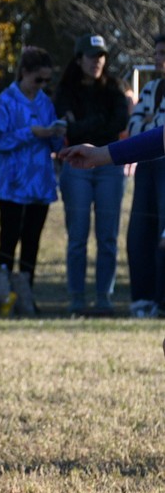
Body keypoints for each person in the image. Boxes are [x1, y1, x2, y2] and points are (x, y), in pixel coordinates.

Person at [54, 34, 129, 315]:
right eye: (91, 56)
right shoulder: (65, 91)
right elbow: (69, 129)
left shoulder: (114, 89)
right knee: (78, 234)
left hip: (110, 166)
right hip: (76, 166)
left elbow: (120, 122)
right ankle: (76, 297)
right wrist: (98, 125)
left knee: (108, 235)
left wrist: (86, 125)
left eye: (101, 56)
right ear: (79, 59)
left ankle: (104, 297)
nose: (96, 61)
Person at [0, 46, 62, 315]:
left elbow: (53, 141)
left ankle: (27, 298)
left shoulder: (45, 102)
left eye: (46, 81)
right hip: (13, 186)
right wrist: (30, 132)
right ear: (24, 72)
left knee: (32, 243)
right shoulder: (6, 101)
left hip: (40, 186)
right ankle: (3, 299)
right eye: (37, 79)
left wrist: (57, 133)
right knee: (8, 242)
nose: (41, 85)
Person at [125, 33, 165, 316]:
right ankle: (142, 297)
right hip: (147, 165)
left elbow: (155, 127)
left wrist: (152, 124)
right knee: (140, 231)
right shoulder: (152, 88)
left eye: (163, 53)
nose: (158, 59)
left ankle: (161, 300)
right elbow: (134, 127)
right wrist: (151, 125)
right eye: (157, 53)